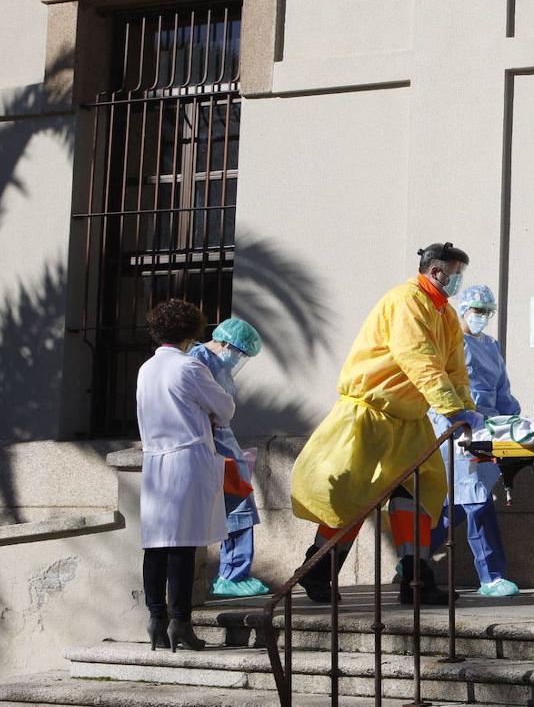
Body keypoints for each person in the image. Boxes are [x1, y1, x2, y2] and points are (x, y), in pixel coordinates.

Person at [290, 242, 483, 605]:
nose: (458, 282)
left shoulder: (445, 315)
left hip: (409, 419)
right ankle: (316, 570)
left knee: (421, 492)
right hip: (368, 414)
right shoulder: (406, 301)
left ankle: (416, 581)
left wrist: (465, 409)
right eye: (456, 274)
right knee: (349, 499)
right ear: (436, 271)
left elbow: (455, 369)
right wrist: (451, 408)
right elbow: (419, 359)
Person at [136, 299, 235, 652]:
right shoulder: (189, 367)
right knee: (182, 544)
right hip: (186, 459)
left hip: (155, 460)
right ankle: (181, 621)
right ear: (192, 331)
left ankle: (155, 618)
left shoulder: (146, 368)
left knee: (156, 545)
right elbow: (225, 408)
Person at [425, 284, 522, 597]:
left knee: (454, 506)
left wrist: (512, 421)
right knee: (476, 501)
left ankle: (414, 559)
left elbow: (502, 392)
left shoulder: (491, 346)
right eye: (477, 311)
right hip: (458, 432)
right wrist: (450, 422)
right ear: (464, 309)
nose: (482, 317)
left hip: (486, 431)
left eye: (487, 312)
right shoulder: (452, 343)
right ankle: (491, 576)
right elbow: (439, 387)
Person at [187, 317, 270, 598]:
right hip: (216, 448)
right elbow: (213, 408)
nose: (239, 359)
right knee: (238, 509)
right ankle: (232, 575)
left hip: (223, 446)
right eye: (239, 352)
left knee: (238, 508)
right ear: (224, 343)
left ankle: (234, 573)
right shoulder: (200, 359)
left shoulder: (215, 364)